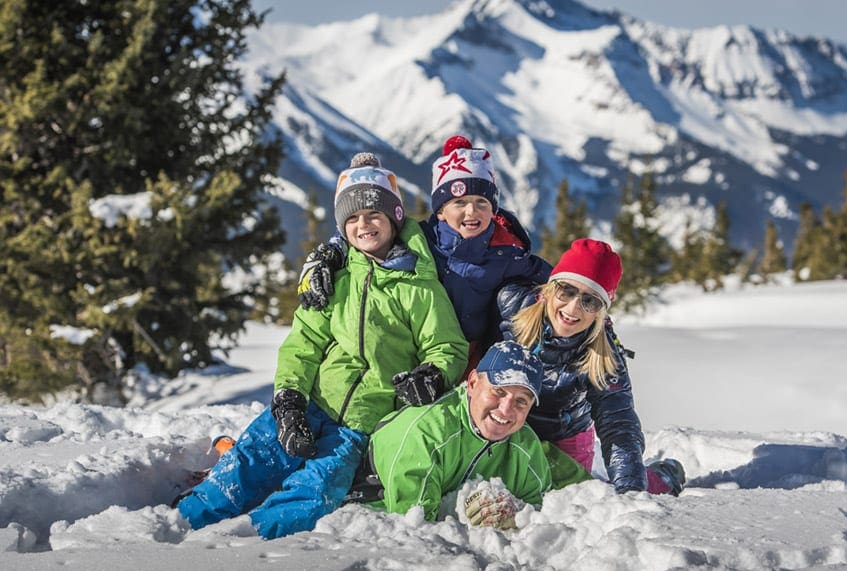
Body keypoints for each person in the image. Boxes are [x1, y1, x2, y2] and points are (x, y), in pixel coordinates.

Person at [176, 153, 469, 539]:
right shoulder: (333, 278)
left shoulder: (419, 286)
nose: (363, 225)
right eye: (353, 218)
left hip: (361, 422)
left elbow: (447, 347)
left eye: (373, 215)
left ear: (395, 219)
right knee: (254, 456)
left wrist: (433, 374)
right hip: (313, 401)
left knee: (320, 488)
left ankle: (250, 540)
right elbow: (304, 342)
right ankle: (183, 521)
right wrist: (289, 399)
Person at [298, 135, 551, 374]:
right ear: (441, 211)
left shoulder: (505, 252)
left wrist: (577, 289)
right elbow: (368, 238)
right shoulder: (419, 238)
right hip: (420, 349)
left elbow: (553, 276)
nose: (472, 211)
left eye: (482, 202)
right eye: (460, 203)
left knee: (519, 298)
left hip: (477, 353)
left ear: (493, 209)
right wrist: (329, 253)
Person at [498, 238, 686, 496]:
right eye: (566, 291)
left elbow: (618, 424)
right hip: (507, 423)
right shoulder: (511, 305)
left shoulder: (603, 355)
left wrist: (631, 491)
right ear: (550, 289)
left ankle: (660, 479)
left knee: (574, 497)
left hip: (563, 438)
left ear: (601, 311)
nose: (573, 307)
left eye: (591, 301)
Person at [356, 340, 590, 526]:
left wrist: (513, 516)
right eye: (498, 391)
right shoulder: (428, 433)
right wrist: (463, 517)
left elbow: (538, 512)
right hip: (370, 515)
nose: (506, 409)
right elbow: (414, 524)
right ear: (472, 382)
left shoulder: (525, 447)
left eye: (521, 401)